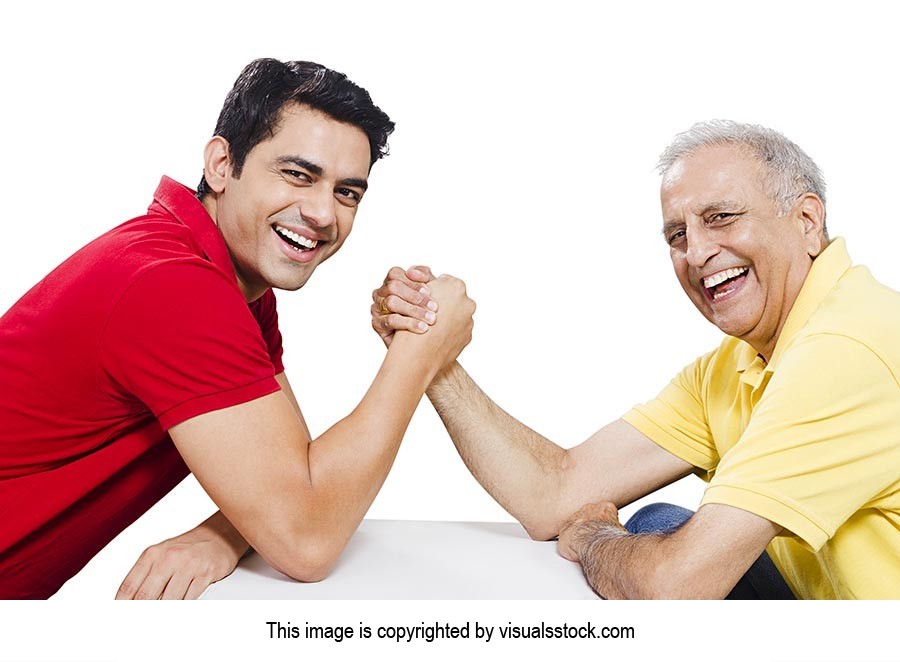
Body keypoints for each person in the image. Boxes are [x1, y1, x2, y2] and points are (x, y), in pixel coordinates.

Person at [0, 58, 475, 599]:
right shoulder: (174, 287)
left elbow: (295, 478)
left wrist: (222, 534)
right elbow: (307, 537)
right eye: (299, 174)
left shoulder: (228, 281)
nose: (323, 213)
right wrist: (419, 352)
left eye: (348, 192)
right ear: (222, 164)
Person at [372, 121, 900, 599]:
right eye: (678, 235)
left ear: (808, 222)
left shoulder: (847, 349)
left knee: (659, 548)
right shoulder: (735, 363)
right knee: (660, 522)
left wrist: (595, 537)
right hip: (833, 616)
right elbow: (555, 493)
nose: (695, 254)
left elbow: (677, 586)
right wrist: (430, 356)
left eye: (722, 218)